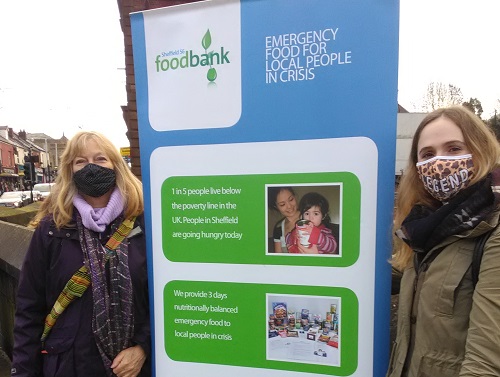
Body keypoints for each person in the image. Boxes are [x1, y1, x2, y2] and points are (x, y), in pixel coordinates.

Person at [12, 131, 150, 377]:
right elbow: (29, 308)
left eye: (100, 159)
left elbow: (164, 297)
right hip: (69, 365)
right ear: (70, 170)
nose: (91, 168)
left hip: (129, 368)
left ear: (117, 166)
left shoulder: (144, 223)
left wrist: (144, 346)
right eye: (81, 161)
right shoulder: (52, 229)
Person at [387, 106, 500, 377]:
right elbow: (387, 275)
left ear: (481, 149)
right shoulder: (422, 226)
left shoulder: (492, 230)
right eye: (427, 154)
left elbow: (484, 363)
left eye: (453, 148)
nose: (440, 163)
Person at [268, 187, 301, 253]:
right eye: (282, 204)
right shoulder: (278, 228)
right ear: (276, 206)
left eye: (291, 199)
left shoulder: (310, 217)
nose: (289, 206)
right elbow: (278, 258)